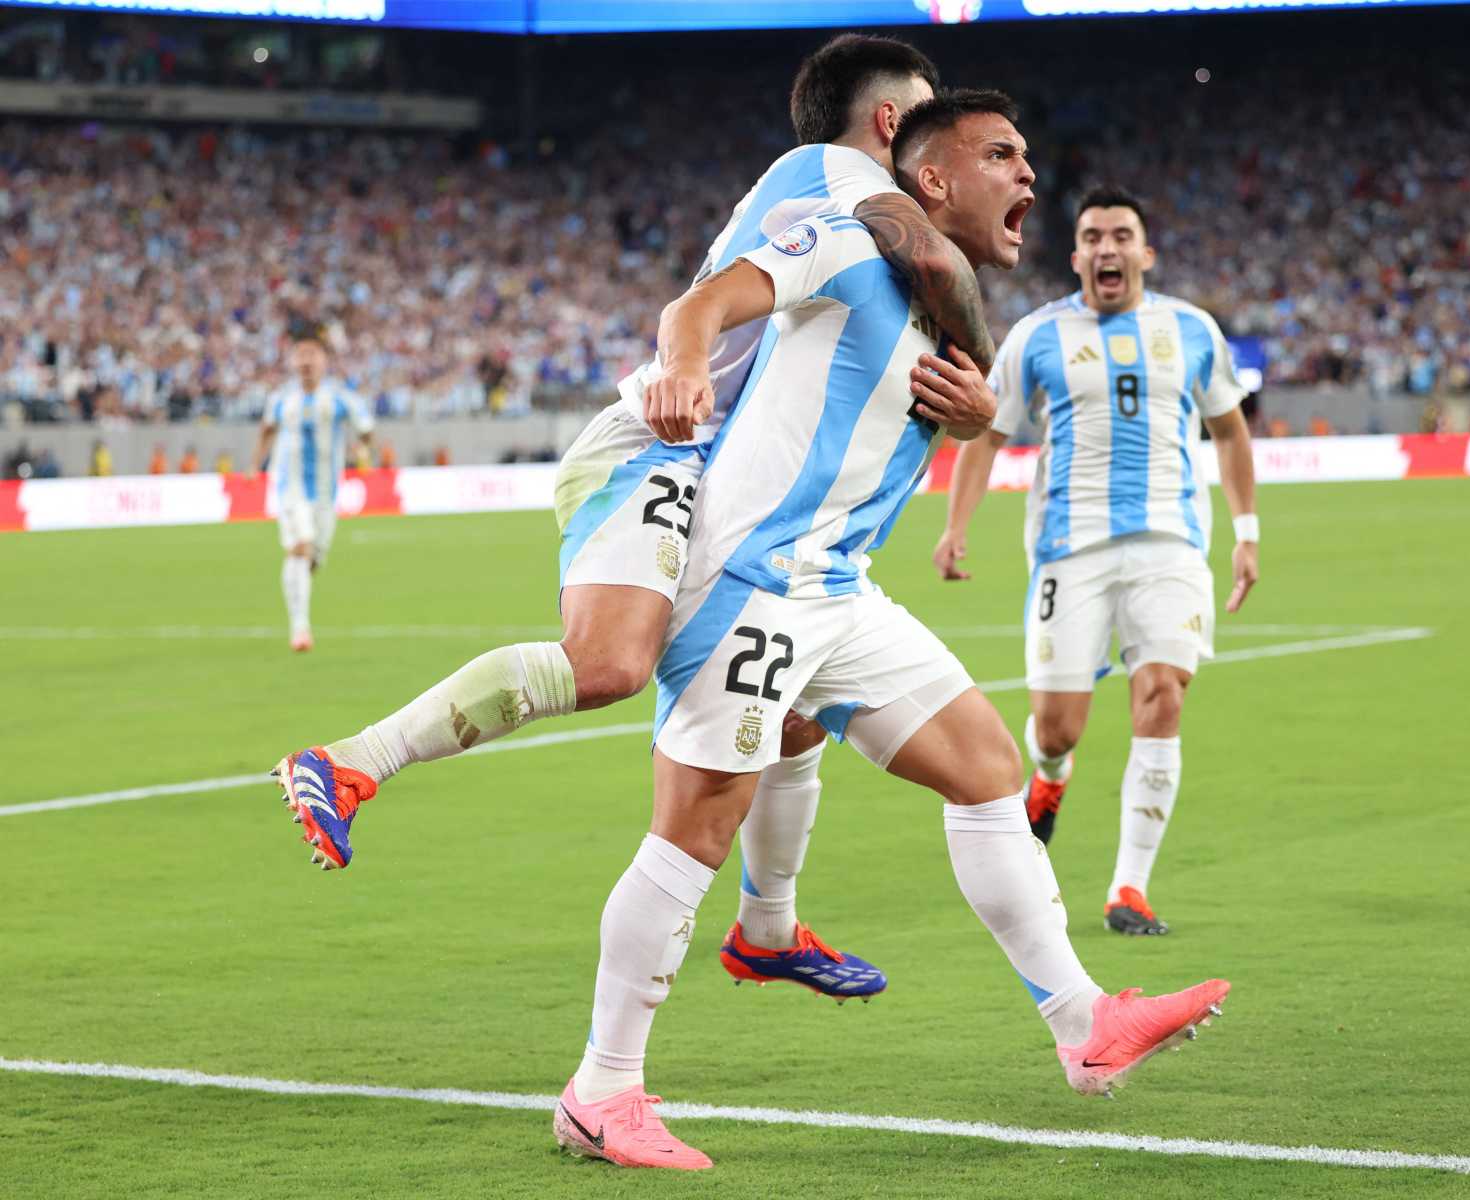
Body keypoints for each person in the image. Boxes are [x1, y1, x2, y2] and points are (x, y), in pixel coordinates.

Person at [556, 92, 1229, 1172]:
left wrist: (973, 415)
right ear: (930, 179)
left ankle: (1085, 1027)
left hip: (838, 589)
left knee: (987, 766)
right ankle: (603, 1090)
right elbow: (703, 305)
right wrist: (681, 363)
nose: (1027, 178)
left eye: (1028, 158)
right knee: (694, 829)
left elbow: (957, 414)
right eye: (1000, 155)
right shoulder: (837, 241)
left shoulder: (944, 309)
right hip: (753, 579)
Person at [271, 35, 994, 1004]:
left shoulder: (833, 198)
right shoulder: (840, 175)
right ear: (891, 121)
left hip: (723, 476)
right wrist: (978, 371)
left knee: (796, 697)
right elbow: (940, 262)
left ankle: (768, 931)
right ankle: (349, 762)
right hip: (657, 443)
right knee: (609, 663)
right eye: (925, 110)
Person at [932, 186, 1260, 938]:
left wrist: (1247, 530)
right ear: (1076, 255)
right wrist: (957, 527)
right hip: (1067, 551)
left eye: (1121, 236)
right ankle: (1049, 781)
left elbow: (1231, 432)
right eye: (1092, 238)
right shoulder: (1036, 337)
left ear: (1145, 252)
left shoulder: (1191, 330)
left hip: (1170, 543)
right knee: (1056, 730)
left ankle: (1129, 889)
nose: (1107, 249)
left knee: (1163, 695)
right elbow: (988, 434)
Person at [250, 328, 375, 653]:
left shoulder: (339, 397)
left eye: (312, 354)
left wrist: (363, 448)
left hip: (325, 493)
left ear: (324, 360)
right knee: (300, 548)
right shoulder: (280, 398)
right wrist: (255, 466)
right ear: (292, 360)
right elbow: (266, 430)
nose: (306, 361)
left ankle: (299, 601)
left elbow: (366, 428)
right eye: (300, 354)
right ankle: (300, 628)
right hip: (289, 489)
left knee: (313, 558)